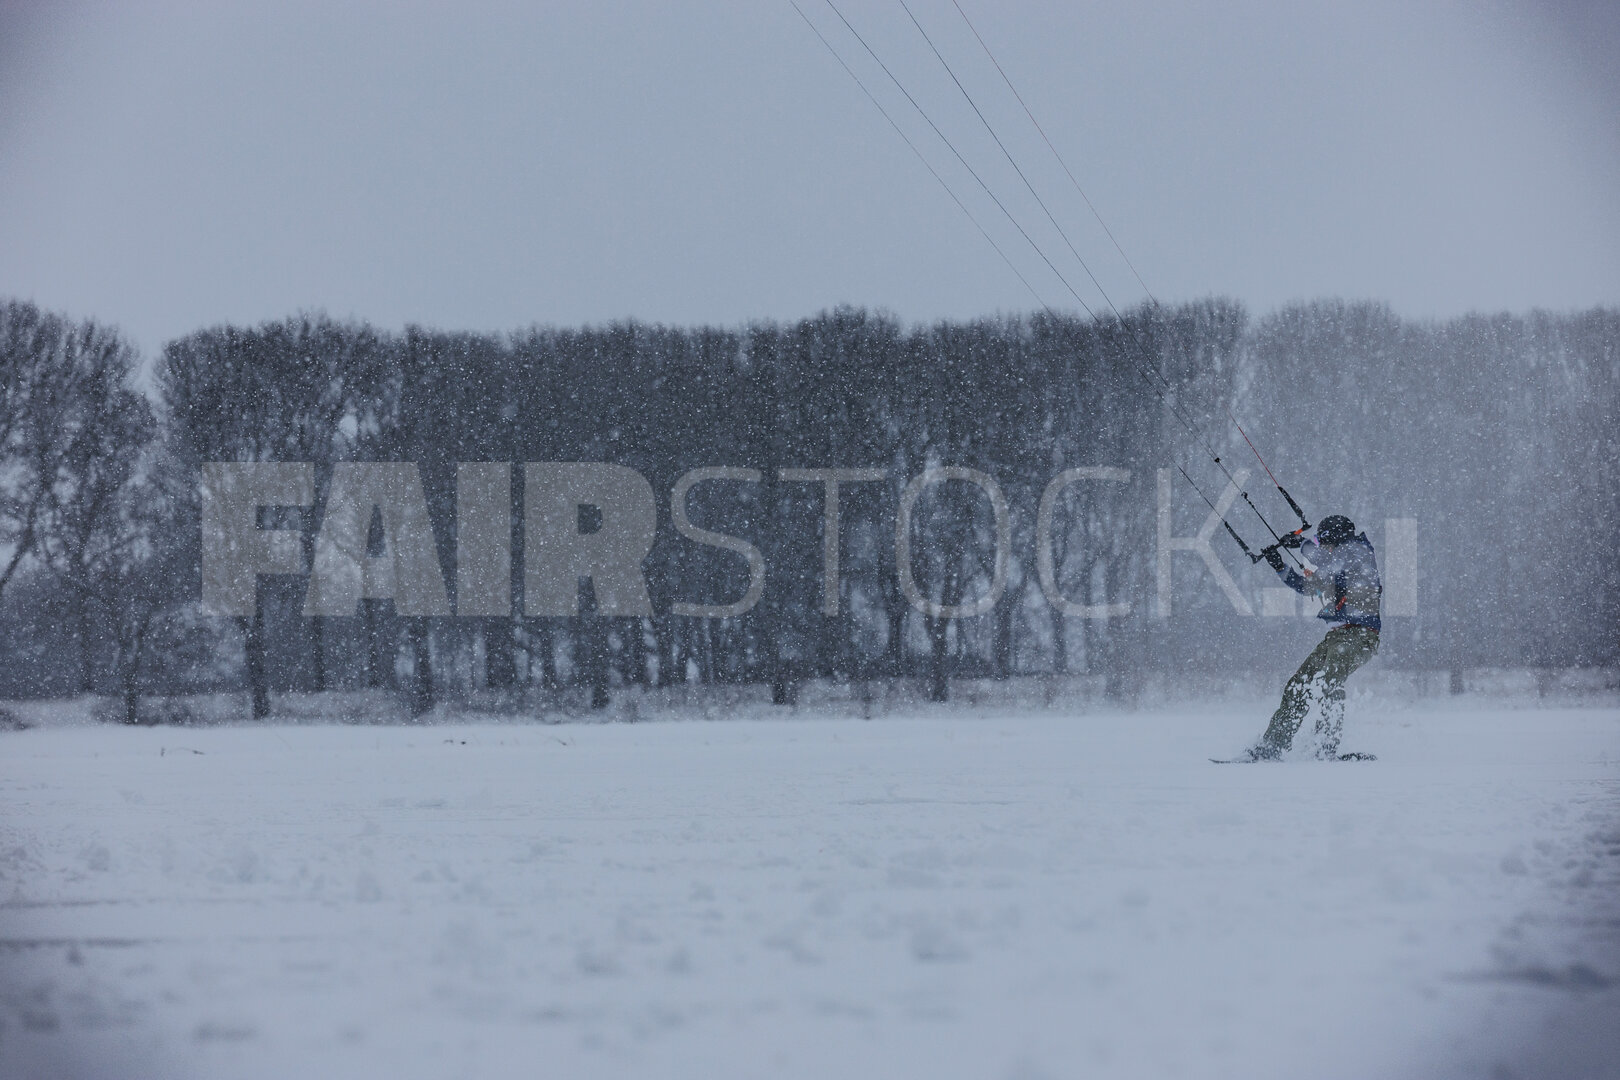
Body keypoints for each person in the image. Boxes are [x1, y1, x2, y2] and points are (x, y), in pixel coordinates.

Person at [1247, 514, 1382, 760]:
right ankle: (1272, 746)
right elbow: (1307, 587)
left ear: (1337, 539)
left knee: (1330, 682)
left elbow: (1325, 557)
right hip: (1337, 636)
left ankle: (1325, 749)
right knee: (1299, 684)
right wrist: (1279, 566)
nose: (1323, 547)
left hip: (1361, 635)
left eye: (1325, 542)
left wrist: (1302, 544)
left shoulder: (1358, 552)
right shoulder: (1334, 565)